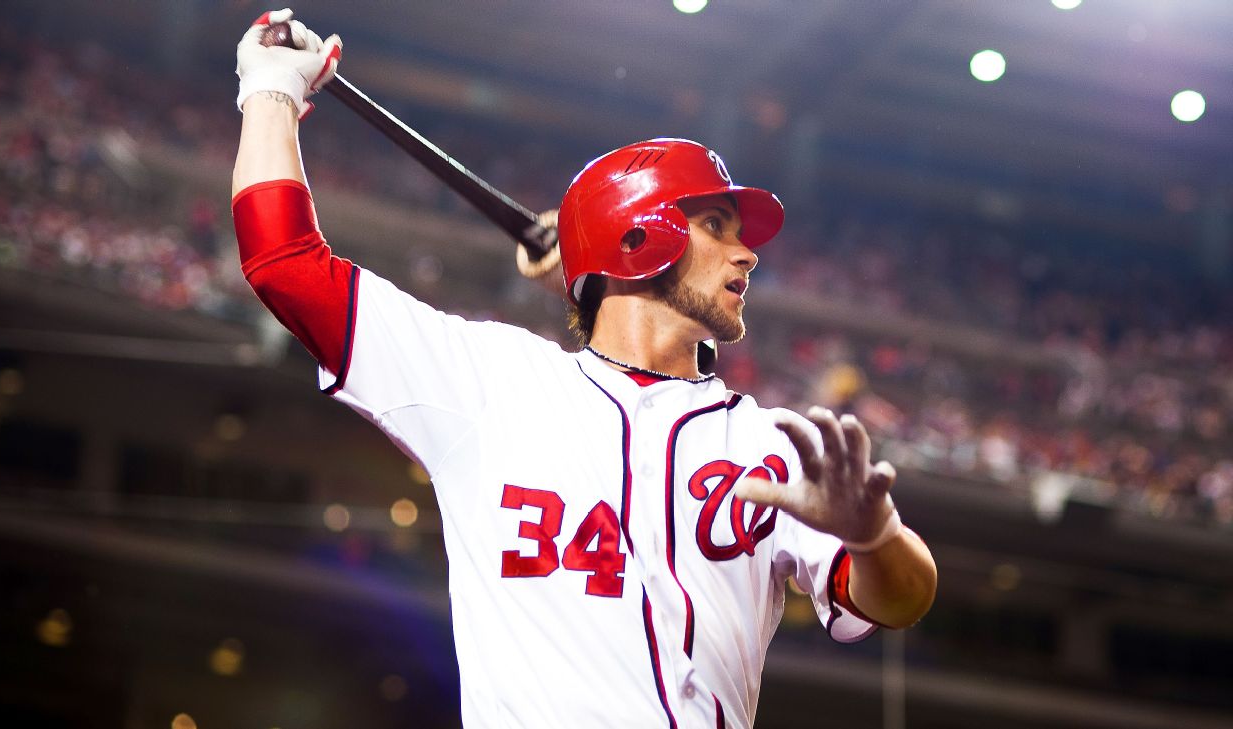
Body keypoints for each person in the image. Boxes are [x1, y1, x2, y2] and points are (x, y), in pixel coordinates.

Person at [232, 10, 936, 728]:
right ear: (638, 234)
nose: (747, 253)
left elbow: (900, 599)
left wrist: (873, 535)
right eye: (716, 226)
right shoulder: (491, 385)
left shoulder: (773, 446)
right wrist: (270, 91)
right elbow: (285, 266)